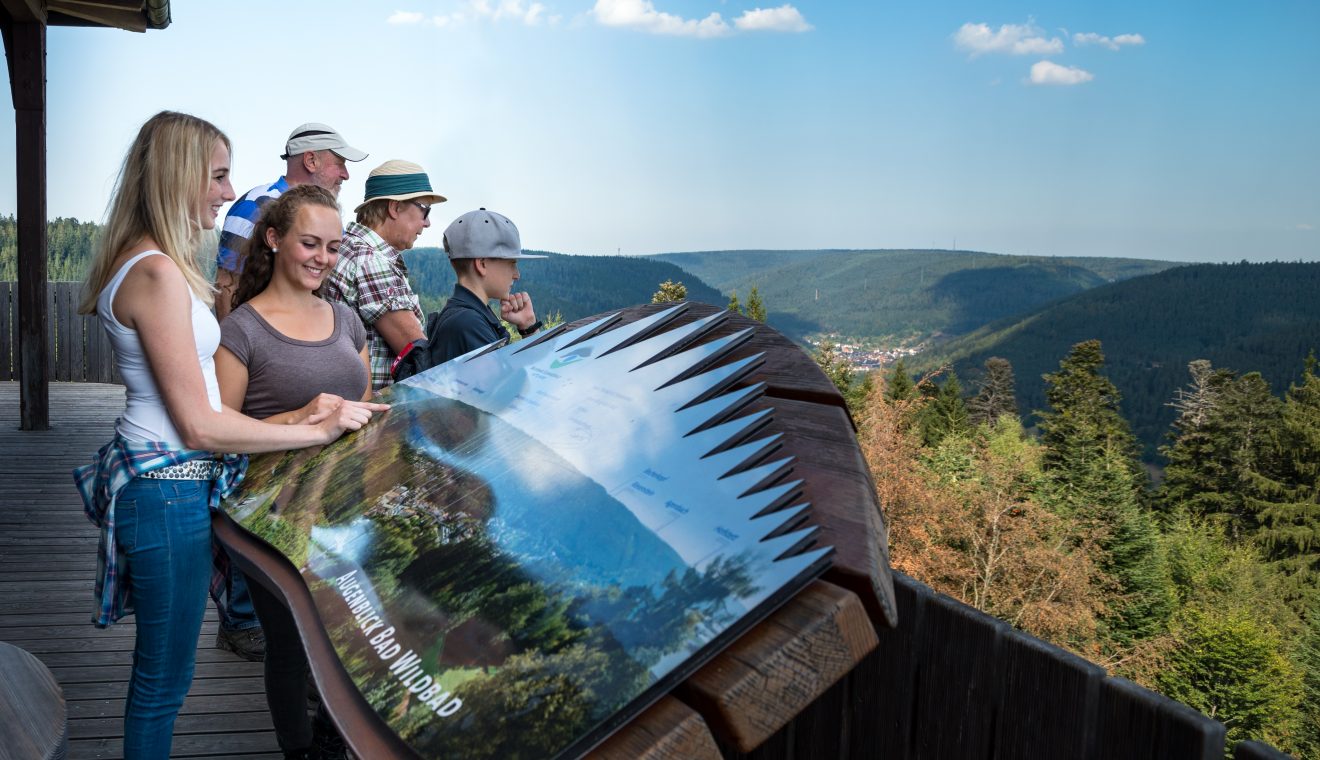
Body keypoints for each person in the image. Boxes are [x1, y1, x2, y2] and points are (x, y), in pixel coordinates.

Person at [73, 111, 387, 759]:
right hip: (168, 487)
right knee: (162, 684)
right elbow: (198, 423)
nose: (227, 191)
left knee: (162, 678)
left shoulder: (146, 263)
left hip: (163, 481)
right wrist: (317, 432)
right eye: (217, 176)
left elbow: (203, 407)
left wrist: (299, 416)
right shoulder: (157, 274)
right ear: (178, 174)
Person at [215, 184, 366, 759]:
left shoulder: (347, 320)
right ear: (275, 239)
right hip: (270, 515)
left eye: (334, 247)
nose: (323, 258)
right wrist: (302, 417)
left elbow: (363, 408)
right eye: (310, 243)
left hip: (346, 507)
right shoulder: (243, 330)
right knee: (290, 647)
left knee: (347, 640)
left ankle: (332, 741)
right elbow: (220, 432)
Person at [214, 122, 367, 320]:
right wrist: (232, 338)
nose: (346, 175)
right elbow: (226, 284)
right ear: (311, 161)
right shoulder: (255, 204)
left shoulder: (328, 214)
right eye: (339, 164)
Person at [322, 159, 445, 392]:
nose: (427, 222)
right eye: (424, 210)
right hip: (375, 407)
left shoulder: (346, 247)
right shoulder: (372, 262)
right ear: (395, 208)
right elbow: (419, 356)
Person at [417, 208, 545, 368]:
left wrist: (528, 325)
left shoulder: (467, 316)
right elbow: (513, 382)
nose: (516, 275)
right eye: (512, 263)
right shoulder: (469, 324)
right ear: (482, 264)